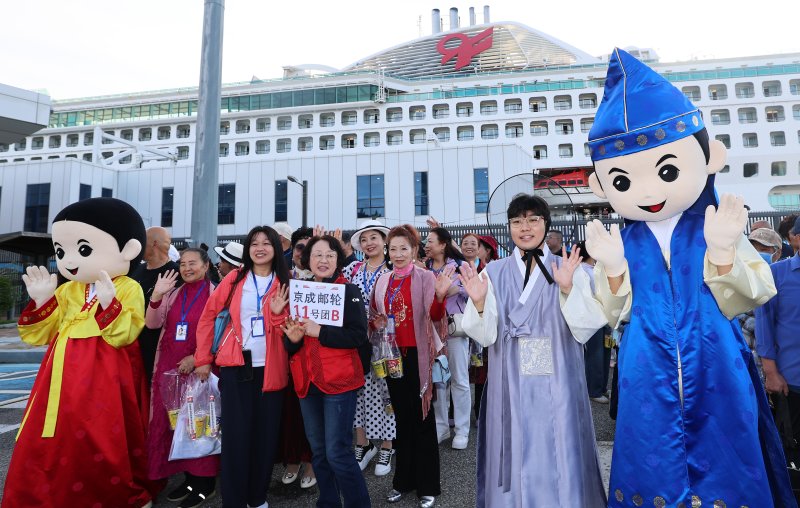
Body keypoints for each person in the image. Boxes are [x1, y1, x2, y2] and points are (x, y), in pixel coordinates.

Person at [585, 48, 794, 507]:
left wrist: (723, 253)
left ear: (708, 158)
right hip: (646, 369)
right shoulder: (624, 243)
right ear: (602, 185)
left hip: (716, 362)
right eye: (622, 181)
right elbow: (613, 313)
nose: (648, 191)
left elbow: (756, 292)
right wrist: (615, 270)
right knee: (651, 462)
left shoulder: (714, 224)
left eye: (665, 170)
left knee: (728, 459)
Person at [4, 197, 158, 508]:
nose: (69, 260)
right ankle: (47, 493)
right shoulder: (66, 289)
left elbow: (124, 334)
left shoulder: (127, 286)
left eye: (83, 249)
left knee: (98, 432)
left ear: (128, 249)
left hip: (105, 372)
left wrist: (108, 304)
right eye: (61, 251)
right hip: (58, 373)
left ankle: (110, 492)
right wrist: (41, 301)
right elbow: (38, 334)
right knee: (52, 433)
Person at [459, 194, 607, 507]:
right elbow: (483, 335)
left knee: (559, 442)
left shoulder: (568, 267)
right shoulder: (493, 272)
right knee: (514, 441)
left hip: (559, 373)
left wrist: (568, 289)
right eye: (517, 221)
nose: (525, 228)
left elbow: (588, 325)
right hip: (509, 374)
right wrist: (480, 302)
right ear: (509, 226)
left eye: (533, 220)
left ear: (546, 224)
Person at [194, 225, 291, 508]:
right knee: (236, 438)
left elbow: (290, 329)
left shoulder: (286, 282)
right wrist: (203, 359)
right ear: (248, 250)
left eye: (266, 243)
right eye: (254, 244)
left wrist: (275, 316)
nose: (260, 248)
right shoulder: (236, 278)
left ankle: (257, 498)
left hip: (271, 368)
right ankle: (234, 501)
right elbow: (208, 317)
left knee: (265, 437)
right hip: (237, 365)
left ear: (276, 248)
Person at [282, 235, 371, 508]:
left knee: (338, 453)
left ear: (338, 260)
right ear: (307, 260)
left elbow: (358, 336)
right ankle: (329, 501)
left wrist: (320, 332)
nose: (323, 260)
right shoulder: (300, 292)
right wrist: (293, 339)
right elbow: (289, 342)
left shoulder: (349, 291)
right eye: (317, 255)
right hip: (307, 381)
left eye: (329, 255)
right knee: (319, 452)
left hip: (339, 381)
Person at [372, 225, 452, 508]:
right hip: (392, 357)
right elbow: (374, 314)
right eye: (392, 249)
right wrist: (376, 322)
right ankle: (402, 482)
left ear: (415, 250)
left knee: (422, 419)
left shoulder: (425, 277)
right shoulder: (383, 280)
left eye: (404, 248)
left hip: (418, 356)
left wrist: (441, 297)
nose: (398, 254)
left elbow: (434, 315)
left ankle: (428, 485)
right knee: (402, 421)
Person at [145, 248, 218, 507]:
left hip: (198, 371)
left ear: (206, 265)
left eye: (193, 263)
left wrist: (199, 359)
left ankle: (205, 483)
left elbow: (220, 333)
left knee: (199, 427)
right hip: (169, 370)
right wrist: (156, 295)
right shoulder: (174, 292)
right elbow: (153, 324)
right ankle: (189, 479)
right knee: (175, 426)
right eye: (183, 264)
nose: (187, 268)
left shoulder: (215, 293)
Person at [343, 219, 396, 476]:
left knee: (387, 392)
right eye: (364, 239)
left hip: (386, 342)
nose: (368, 243)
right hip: (357, 341)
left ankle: (387, 444)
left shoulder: (393, 269)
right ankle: (362, 444)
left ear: (384, 240)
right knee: (358, 391)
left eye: (373, 237)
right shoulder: (352, 269)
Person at [756, 223, 800, 461]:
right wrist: (771, 372)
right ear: (796, 239)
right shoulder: (776, 273)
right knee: (792, 451)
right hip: (792, 382)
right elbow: (764, 324)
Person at [424, 227, 470, 449]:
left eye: (431, 240)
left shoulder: (459, 266)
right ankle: (441, 426)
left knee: (459, 379)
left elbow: (472, 290)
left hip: (454, 328)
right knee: (438, 380)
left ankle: (462, 429)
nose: (427, 244)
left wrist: (454, 288)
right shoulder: (423, 268)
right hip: (430, 331)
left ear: (443, 244)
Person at [131, 226, 181, 385]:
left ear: (153, 243)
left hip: (160, 345)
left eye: (142, 242)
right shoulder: (134, 270)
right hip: (133, 343)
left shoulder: (176, 273)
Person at [576, 241, 611, 403]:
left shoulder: (595, 268)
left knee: (605, 351)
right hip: (592, 318)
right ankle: (594, 390)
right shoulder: (582, 269)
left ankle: (602, 387)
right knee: (595, 354)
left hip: (604, 317)